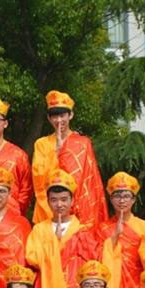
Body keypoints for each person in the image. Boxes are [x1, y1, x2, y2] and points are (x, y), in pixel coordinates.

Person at [26, 169, 95, 288]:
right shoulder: (40, 229)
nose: (59, 204)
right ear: (48, 202)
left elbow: (91, 261)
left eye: (64, 199)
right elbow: (32, 258)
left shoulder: (83, 231)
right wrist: (54, 242)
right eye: (54, 200)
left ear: (72, 200)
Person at [31, 90, 107, 226]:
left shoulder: (83, 143)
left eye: (62, 115)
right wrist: (59, 153)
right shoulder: (41, 144)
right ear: (49, 118)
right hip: (49, 207)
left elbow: (89, 181)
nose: (58, 120)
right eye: (54, 116)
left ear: (70, 115)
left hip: (78, 209)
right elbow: (40, 179)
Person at [88, 172, 145, 288]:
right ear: (111, 199)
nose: (122, 200)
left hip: (137, 286)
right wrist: (113, 239)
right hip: (112, 286)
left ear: (133, 199)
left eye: (126, 196)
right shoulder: (102, 228)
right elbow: (95, 259)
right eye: (117, 196)